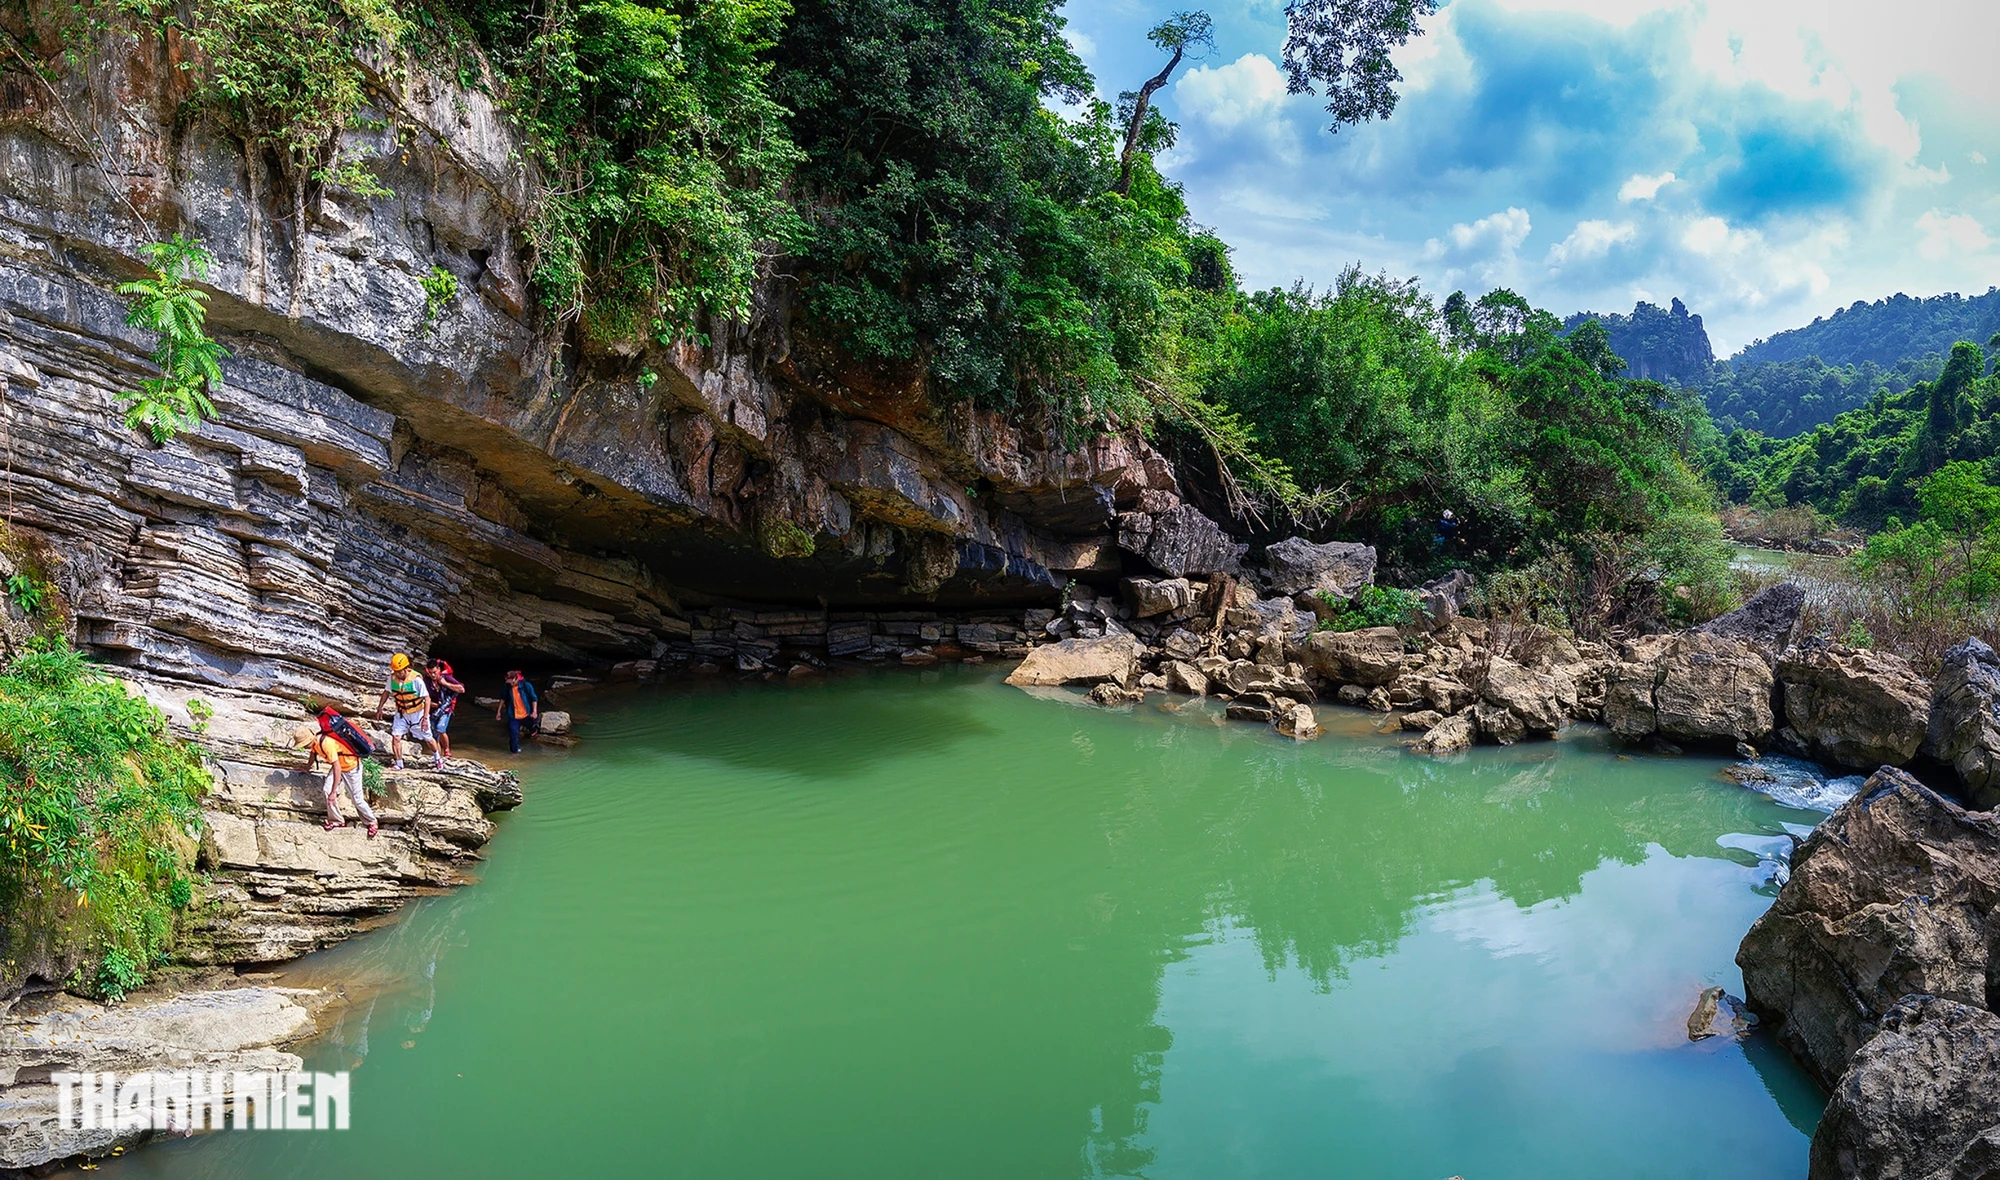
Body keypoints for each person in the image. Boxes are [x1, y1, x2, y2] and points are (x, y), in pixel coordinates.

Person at [295, 724, 377, 837]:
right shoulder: (314, 743)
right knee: (327, 791)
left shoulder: (326, 743)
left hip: (351, 767)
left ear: (310, 739)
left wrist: (334, 791)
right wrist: (307, 768)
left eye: (305, 744)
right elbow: (313, 754)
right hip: (339, 767)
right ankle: (337, 821)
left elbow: (337, 767)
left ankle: (372, 821)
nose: (304, 747)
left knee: (357, 800)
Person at [376, 653, 443, 771]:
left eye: (400, 671)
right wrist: (380, 707)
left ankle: (437, 758)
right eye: (396, 671)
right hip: (402, 713)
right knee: (396, 737)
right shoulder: (392, 679)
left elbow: (427, 699)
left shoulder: (416, 680)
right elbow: (386, 692)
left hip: (418, 714)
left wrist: (425, 719)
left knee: (428, 739)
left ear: (406, 668)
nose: (397, 673)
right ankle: (399, 763)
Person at [426, 657, 466, 759]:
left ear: (439, 669)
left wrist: (445, 684)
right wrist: (431, 705)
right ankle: (438, 758)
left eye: (434, 672)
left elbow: (461, 689)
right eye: (430, 673)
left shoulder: (446, 677)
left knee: (440, 729)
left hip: (445, 709)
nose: (433, 675)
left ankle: (447, 750)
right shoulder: (426, 681)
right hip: (432, 710)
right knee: (434, 736)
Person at [496, 669, 539, 755]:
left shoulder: (526, 686)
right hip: (514, 715)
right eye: (508, 682)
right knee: (513, 734)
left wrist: (534, 711)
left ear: (516, 679)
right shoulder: (507, 686)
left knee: (533, 724)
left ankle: (533, 730)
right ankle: (514, 752)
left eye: (511, 682)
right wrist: (498, 712)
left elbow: (534, 698)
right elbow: (503, 698)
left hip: (526, 714)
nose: (510, 684)